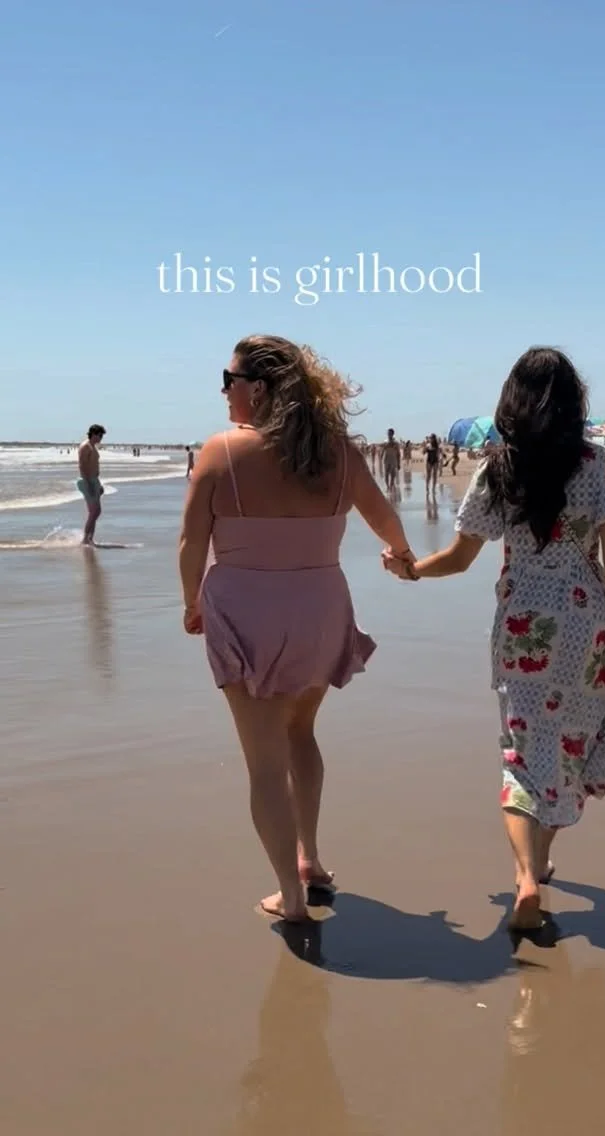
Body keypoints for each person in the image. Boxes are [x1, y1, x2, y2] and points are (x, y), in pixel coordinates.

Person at [383, 347, 605, 933]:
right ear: (576, 403)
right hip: (589, 629)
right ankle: (541, 861)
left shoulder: (499, 469)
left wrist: (411, 570)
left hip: (524, 628)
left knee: (523, 754)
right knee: (567, 747)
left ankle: (527, 876)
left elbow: (459, 558)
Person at [178, 335, 415, 922]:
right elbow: (383, 516)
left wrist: (191, 603)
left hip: (247, 613)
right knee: (300, 733)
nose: (223, 391)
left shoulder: (221, 452)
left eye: (229, 380)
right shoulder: (337, 452)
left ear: (257, 389)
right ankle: (310, 860)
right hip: (319, 610)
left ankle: (289, 895)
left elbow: (190, 542)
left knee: (264, 762)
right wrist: (402, 554)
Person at [77, 424, 106, 545]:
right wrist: (88, 483)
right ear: (93, 434)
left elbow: (93, 465)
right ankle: (85, 539)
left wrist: (98, 485)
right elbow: (82, 466)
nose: (101, 438)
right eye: (100, 435)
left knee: (95, 511)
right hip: (87, 480)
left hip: (94, 480)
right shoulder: (86, 446)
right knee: (95, 511)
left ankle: (90, 539)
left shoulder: (92, 446)